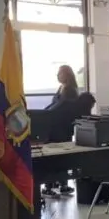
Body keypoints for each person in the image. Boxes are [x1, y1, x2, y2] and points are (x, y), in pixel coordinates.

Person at [42, 65, 81, 198]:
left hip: (62, 129)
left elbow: (60, 107)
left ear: (67, 74)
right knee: (54, 158)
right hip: (55, 127)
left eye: (60, 73)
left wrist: (46, 113)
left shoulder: (70, 90)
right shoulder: (61, 88)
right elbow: (53, 105)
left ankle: (58, 185)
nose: (58, 75)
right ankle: (53, 185)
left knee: (59, 158)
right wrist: (44, 112)